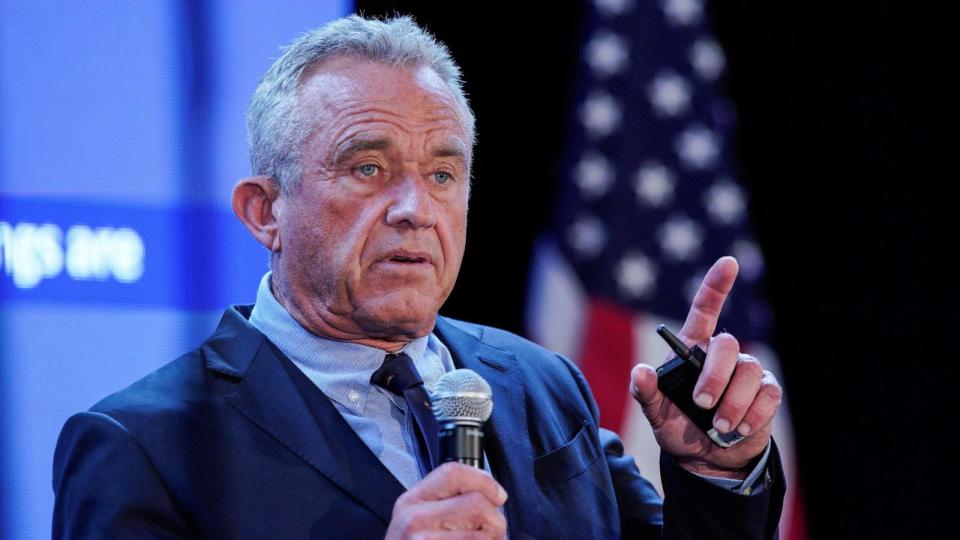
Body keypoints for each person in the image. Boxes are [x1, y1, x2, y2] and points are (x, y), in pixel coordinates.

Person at [53, 15, 785, 539]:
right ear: (265, 211)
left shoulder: (541, 385)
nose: (415, 209)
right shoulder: (139, 446)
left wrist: (718, 472)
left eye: (442, 172)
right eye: (368, 168)